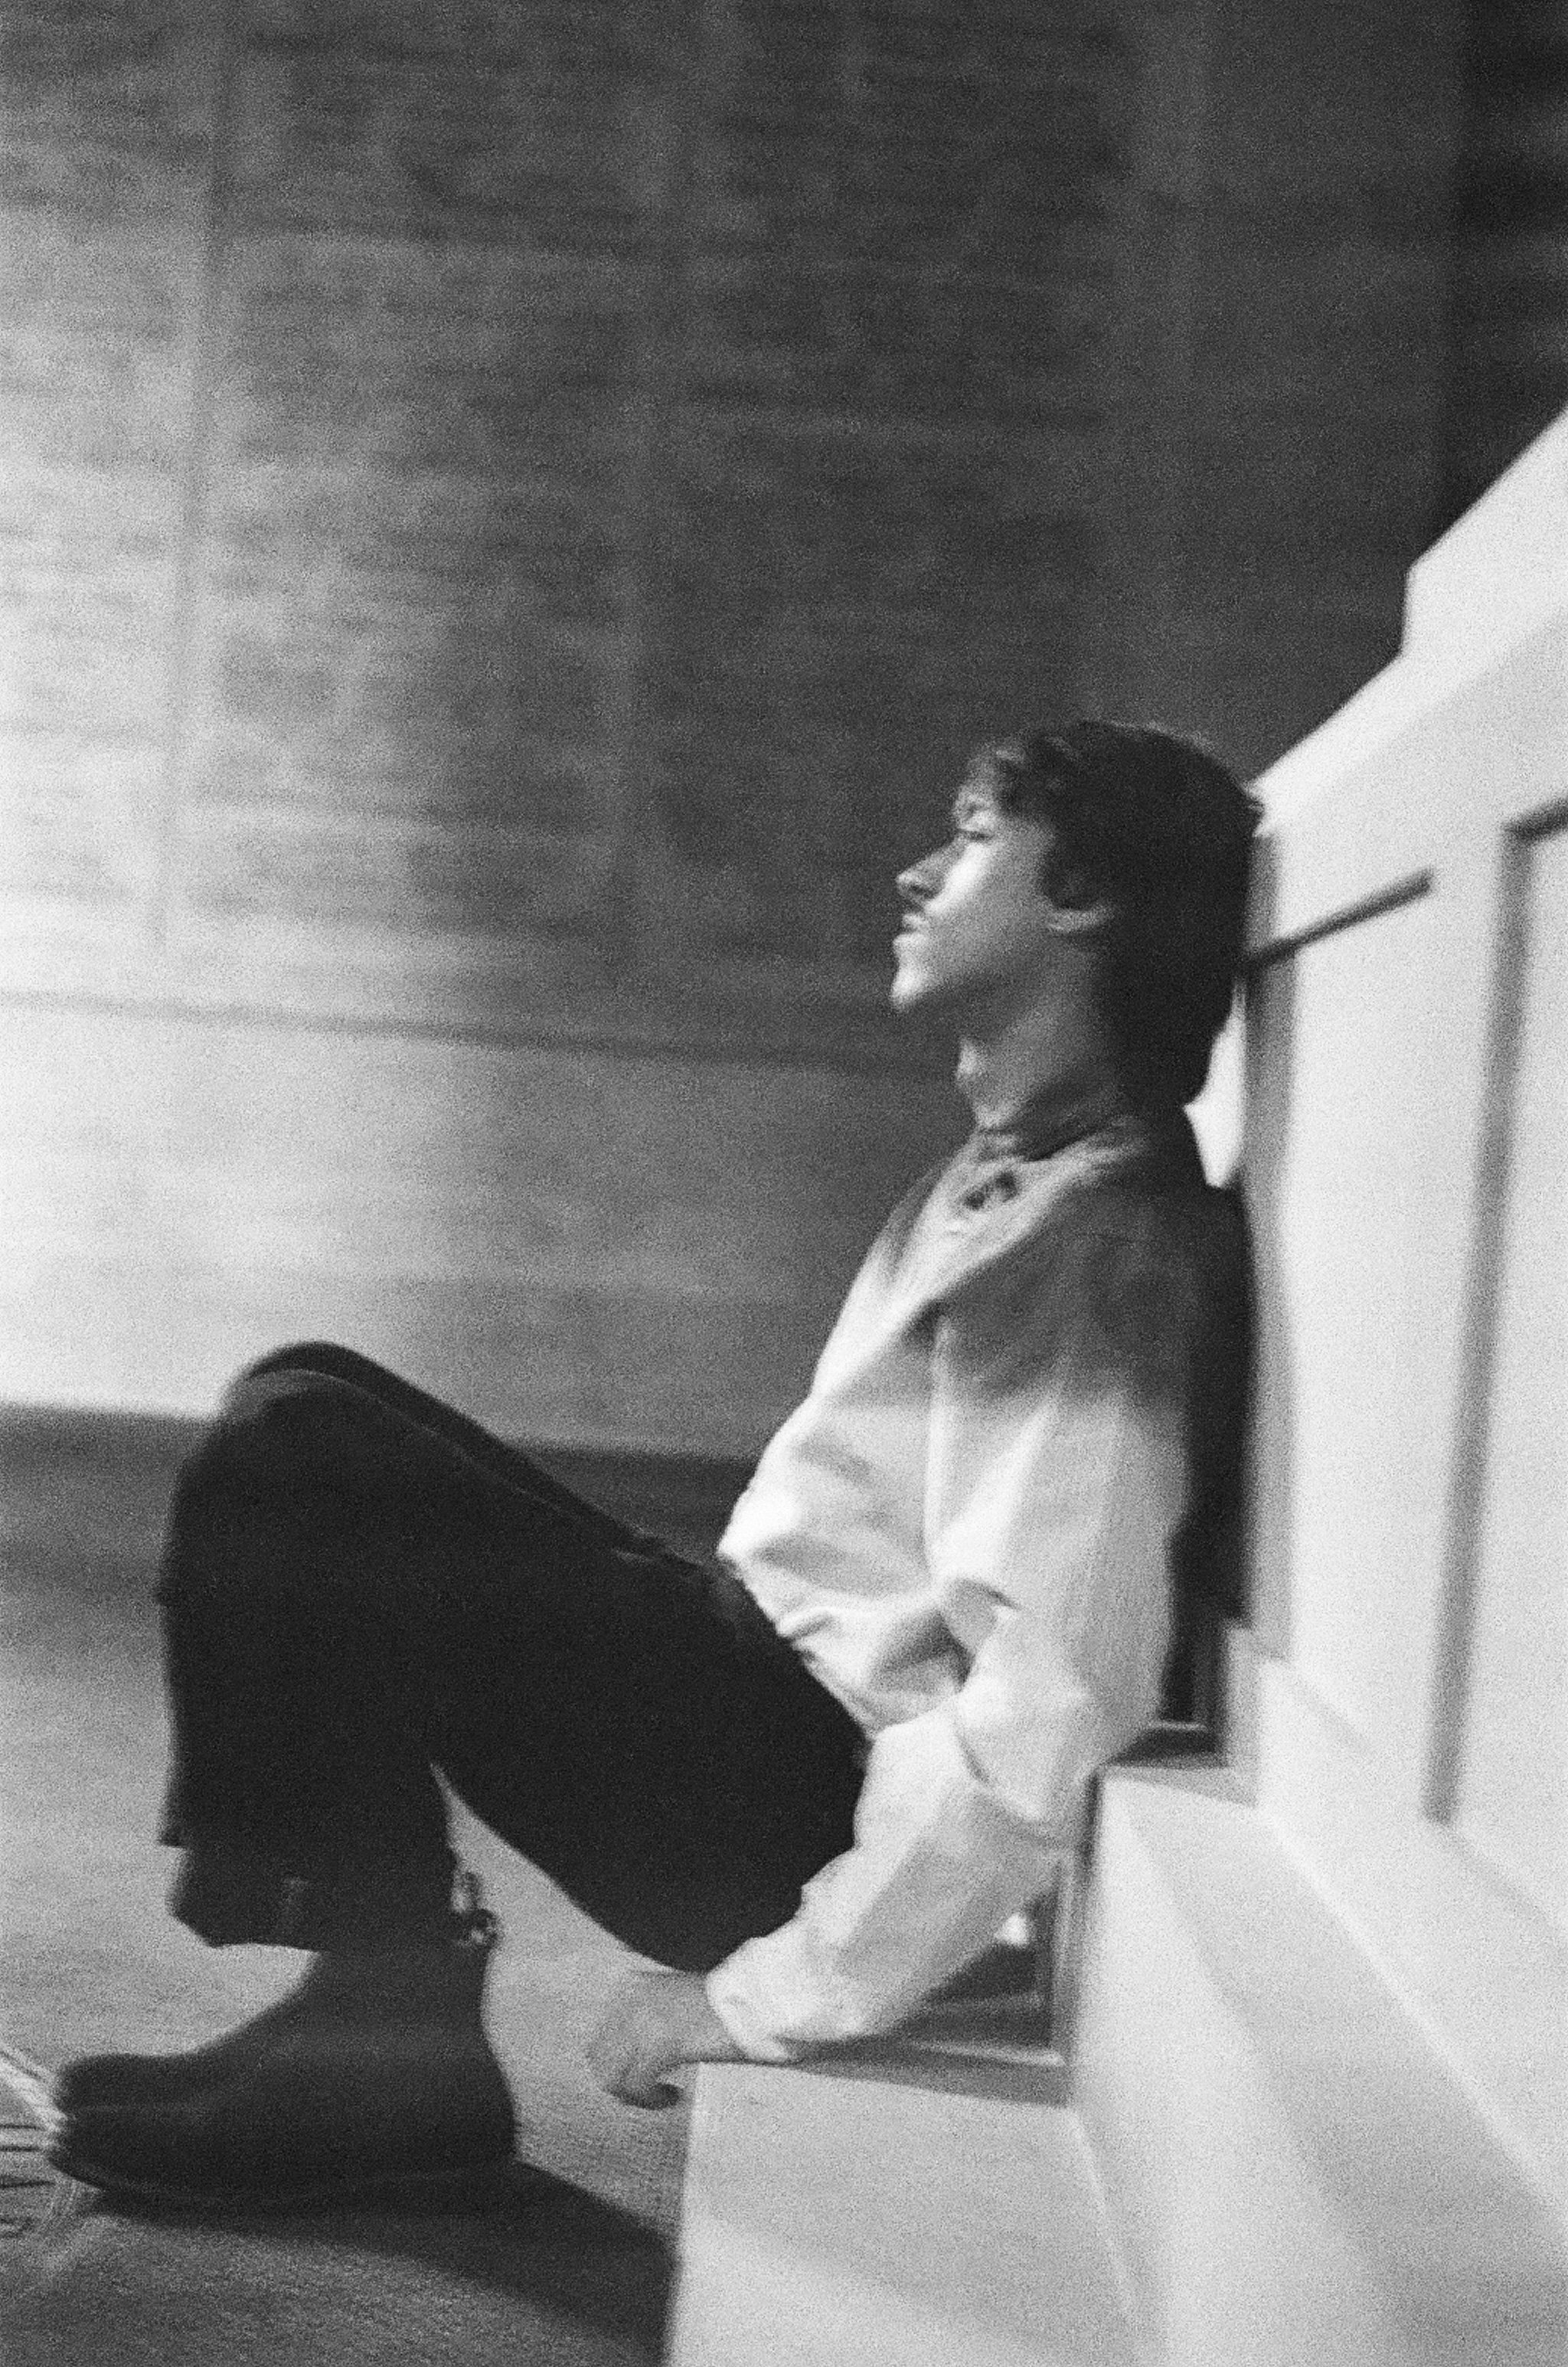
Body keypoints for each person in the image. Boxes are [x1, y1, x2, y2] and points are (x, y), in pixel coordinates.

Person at [50, 718, 1260, 2208]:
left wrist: (757, 1994)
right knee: (310, 1394)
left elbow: (1040, 1716)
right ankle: (371, 2013)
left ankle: (385, 2039)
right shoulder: (1020, 1173)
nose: (915, 869)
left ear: (1080, 896)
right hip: (754, 1701)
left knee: (297, 1453)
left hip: (791, 1807)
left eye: (965, 834)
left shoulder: (1106, 1245)